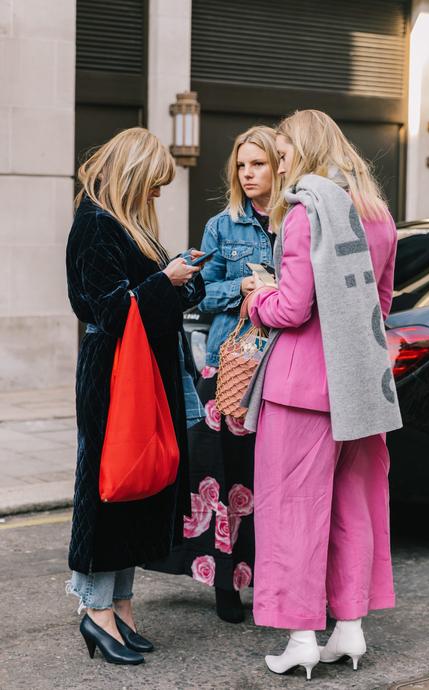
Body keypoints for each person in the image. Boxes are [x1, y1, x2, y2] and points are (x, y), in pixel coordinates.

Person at [245, 110, 402, 679]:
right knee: (352, 509)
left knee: (292, 513)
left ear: (305, 153)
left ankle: (302, 637)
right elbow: (381, 307)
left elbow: (291, 307)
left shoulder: (306, 212)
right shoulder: (378, 215)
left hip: (300, 388)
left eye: (284, 155)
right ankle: (350, 631)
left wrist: (256, 299)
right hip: (360, 389)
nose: (281, 165)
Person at [65, 127, 206, 665]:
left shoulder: (127, 225)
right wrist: (163, 282)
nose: (157, 195)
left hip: (142, 372)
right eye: (153, 185)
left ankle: (120, 608)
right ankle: (97, 612)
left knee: (136, 489)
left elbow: (157, 300)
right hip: (113, 376)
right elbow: (109, 310)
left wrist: (184, 277)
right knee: (109, 487)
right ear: (133, 175)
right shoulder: (96, 225)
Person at [152, 126, 280, 623]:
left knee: (270, 479)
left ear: (280, 166)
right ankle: (227, 582)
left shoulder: (299, 223)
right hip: (231, 364)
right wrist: (246, 286)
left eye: (258, 164)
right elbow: (200, 294)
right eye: (241, 166)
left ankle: (274, 580)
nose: (248, 175)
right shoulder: (221, 226)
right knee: (223, 476)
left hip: (283, 365)